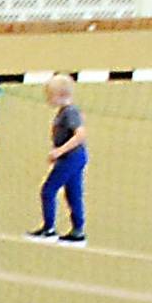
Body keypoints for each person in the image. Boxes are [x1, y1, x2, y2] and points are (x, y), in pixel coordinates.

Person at [31, 74, 89, 244]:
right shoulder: (64, 112)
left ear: (61, 95)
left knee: (48, 190)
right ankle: (77, 230)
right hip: (72, 157)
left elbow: (80, 135)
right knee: (73, 193)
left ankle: (49, 228)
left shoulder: (70, 112)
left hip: (72, 157)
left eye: (50, 95)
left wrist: (59, 151)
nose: (47, 99)